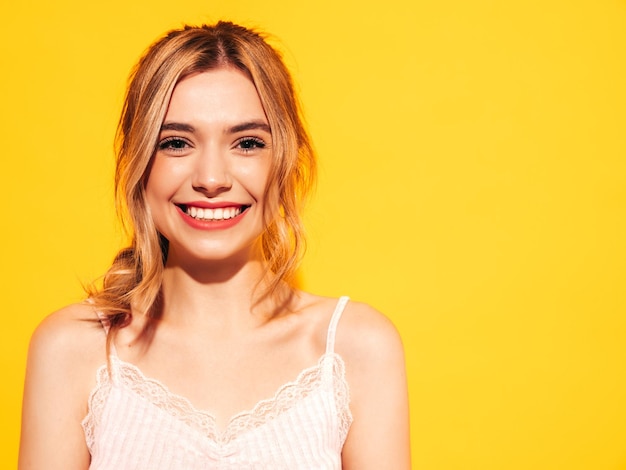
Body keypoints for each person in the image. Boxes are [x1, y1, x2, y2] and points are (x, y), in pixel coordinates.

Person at [19, 21, 410, 469]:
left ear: (285, 162)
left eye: (246, 143)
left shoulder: (355, 349)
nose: (210, 179)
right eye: (176, 143)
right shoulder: (72, 350)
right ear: (139, 164)